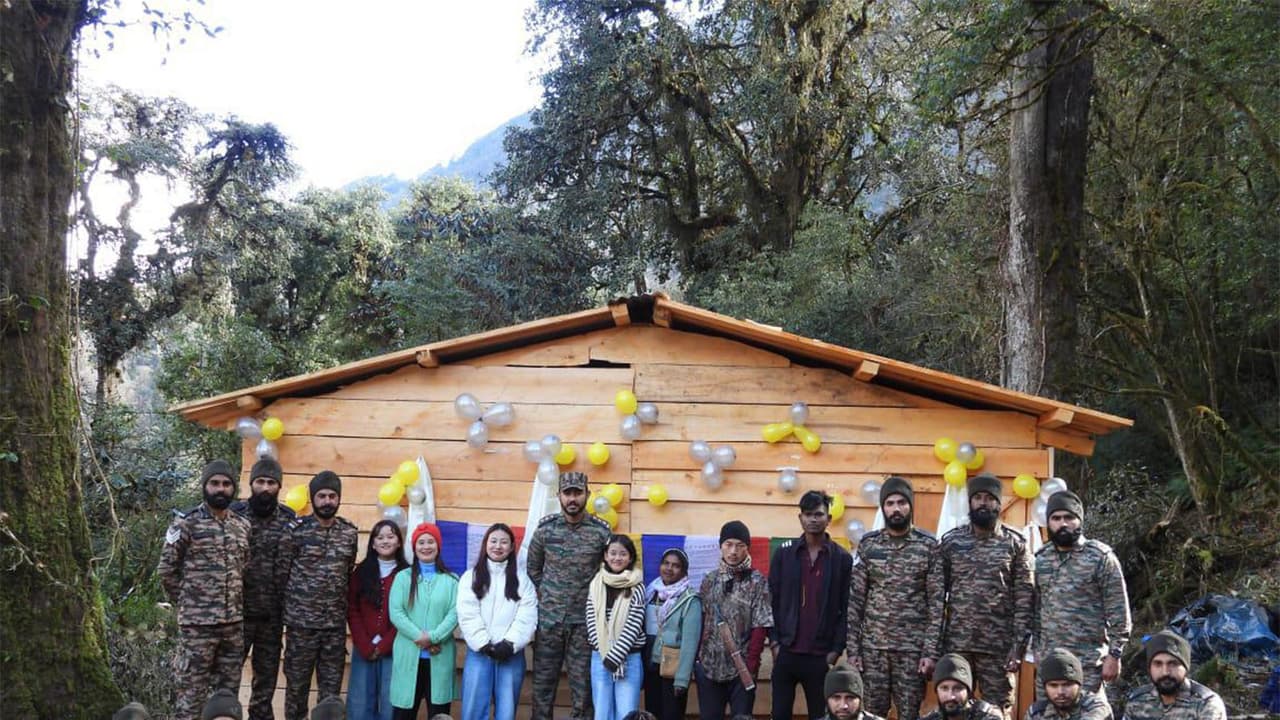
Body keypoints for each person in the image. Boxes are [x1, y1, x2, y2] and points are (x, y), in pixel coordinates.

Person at [157, 460, 251, 720]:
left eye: (226, 484)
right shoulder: (185, 524)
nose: (220, 489)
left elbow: (244, 566)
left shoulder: (242, 526)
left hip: (232, 627)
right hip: (197, 628)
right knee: (191, 699)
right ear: (204, 486)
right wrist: (189, 603)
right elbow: (166, 570)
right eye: (214, 483)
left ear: (233, 488)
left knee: (227, 701)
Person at [846, 476, 944, 720]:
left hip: (912, 652)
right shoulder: (869, 545)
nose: (896, 509)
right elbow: (856, 602)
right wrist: (853, 650)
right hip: (873, 651)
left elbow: (936, 605)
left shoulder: (928, 546)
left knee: (909, 714)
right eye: (890, 503)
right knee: (871, 715)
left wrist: (930, 652)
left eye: (902, 502)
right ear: (883, 507)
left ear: (910, 506)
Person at [938, 472, 1033, 717]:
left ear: (998, 504)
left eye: (989, 498)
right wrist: (937, 645)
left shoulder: (1015, 544)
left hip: (998, 648)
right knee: (956, 710)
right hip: (958, 645)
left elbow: (1025, 599)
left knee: (998, 711)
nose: (983, 503)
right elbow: (936, 595)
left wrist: (1018, 647)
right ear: (970, 502)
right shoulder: (951, 542)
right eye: (977, 497)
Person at [526, 471, 613, 720]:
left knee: (583, 694)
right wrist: (551, 593)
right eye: (567, 493)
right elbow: (533, 568)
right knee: (542, 690)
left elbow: (609, 572)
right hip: (549, 623)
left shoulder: (601, 533)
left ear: (587, 494)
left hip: (584, 625)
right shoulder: (545, 531)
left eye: (578, 493)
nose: (572, 498)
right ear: (559, 496)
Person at [277, 470, 360, 720]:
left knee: (330, 696)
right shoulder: (296, 531)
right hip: (301, 628)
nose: (327, 501)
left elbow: (346, 573)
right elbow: (282, 574)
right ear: (313, 498)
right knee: (296, 691)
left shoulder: (349, 533)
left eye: (332, 496)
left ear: (339, 499)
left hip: (333, 628)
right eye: (321, 496)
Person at [1033, 491, 1131, 700]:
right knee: (1047, 713)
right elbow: (1035, 610)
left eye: (1069, 517)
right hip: (1050, 662)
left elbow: (1119, 611)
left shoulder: (1100, 558)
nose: (1063, 524)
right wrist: (1037, 651)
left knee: (1090, 711)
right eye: (1056, 518)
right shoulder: (1040, 559)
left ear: (1080, 520)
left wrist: (1115, 655)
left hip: (1088, 663)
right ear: (1048, 522)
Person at [769, 490, 854, 720]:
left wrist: (835, 651)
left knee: (821, 716)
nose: (813, 519)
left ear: (829, 518)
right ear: (800, 518)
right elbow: (771, 601)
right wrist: (775, 643)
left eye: (818, 514)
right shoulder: (784, 555)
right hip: (786, 651)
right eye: (808, 514)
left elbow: (847, 609)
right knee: (779, 714)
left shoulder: (841, 559)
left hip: (821, 656)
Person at [231, 456, 296, 720]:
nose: (266, 488)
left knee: (265, 683)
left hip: (272, 618)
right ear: (251, 484)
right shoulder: (234, 515)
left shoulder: (290, 520)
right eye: (260, 481)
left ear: (279, 486)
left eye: (271, 482)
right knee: (227, 680)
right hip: (237, 616)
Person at [457, 523, 538, 720]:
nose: (498, 546)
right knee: (474, 710)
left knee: (506, 711)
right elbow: (467, 613)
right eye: (493, 541)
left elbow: (527, 615)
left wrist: (510, 644)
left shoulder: (522, 580)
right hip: (479, 653)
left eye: (504, 542)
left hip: (511, 654)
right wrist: (483, 644)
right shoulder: (470, 577)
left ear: (511, 547)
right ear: (485, 544)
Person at [695, 520, 773, 719]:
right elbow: (701, 620)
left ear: (747, 548)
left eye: (740, 546)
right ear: (720, 546)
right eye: (728, 544)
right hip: (709, 666)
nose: (733, 551)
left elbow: (760, 625)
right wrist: (698, 660)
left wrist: (751, 665)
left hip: (742, 669)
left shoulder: (757, 581)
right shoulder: (709, 580)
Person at [390, 522, 460, 720]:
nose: (426, 546)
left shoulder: (451, 580)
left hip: (440, 655)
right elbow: (396, 612)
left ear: (438, 546)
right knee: (403, 713)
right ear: (414, 547)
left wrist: (433, 637)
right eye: (421, 542)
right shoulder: (402, 578)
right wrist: (420, 637)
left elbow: (454, 613)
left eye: (431, 542)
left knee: (439, 713)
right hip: (408, 655)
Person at [347, 520, 410, 720]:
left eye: (390, 537)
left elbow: (408, 613)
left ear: (399, 542)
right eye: (380, 537)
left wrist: (383, 645)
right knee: (360, 703)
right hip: (363, 648)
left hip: (394, 648)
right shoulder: (361, 572)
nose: (385, 541)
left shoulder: (407, 574)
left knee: (390, 703)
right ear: (373, 544)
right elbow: (353, 609)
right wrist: (365, 645)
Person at [586, 534, 648, 720]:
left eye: (623, 554)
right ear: (605, 555)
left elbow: (634, 625)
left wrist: (615, 656)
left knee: (626, 712)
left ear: (630, 557)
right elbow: (591, 620)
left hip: (629, 658)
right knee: (602, 712)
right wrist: (605, 653)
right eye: (613, 553)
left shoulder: (637, 587)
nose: (617, 558)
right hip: (600, 656)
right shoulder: (596, 584)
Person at [643, 548, 702, 720]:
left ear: (684, 571)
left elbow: (690, 643)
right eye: (666, 563)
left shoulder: (690, 600)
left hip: (673, 670)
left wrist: (682, 680)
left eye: (676, 566)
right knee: (652, 714)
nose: (669, 568)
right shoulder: (650, 592)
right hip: (651, 666)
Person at [1122, 631, 1226, 720]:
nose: (1165, 672)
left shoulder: (1206, 704)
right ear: (1150, 668)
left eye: (1173, 664)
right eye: (1158, 664)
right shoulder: (1138, 701)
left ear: (1185, 668)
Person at [1024, 648, 1111, 720]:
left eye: (1067, 685)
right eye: (1053, 685)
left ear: (1079, 685)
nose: (1060, 692)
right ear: (1045, 687)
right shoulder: (1037, 712)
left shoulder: (1096, 708)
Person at [917, 654, 1003, 720]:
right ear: (937, 691)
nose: (951, 696)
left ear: (968, 691)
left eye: (958, 688)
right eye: (944, 688)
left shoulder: (987, 716)